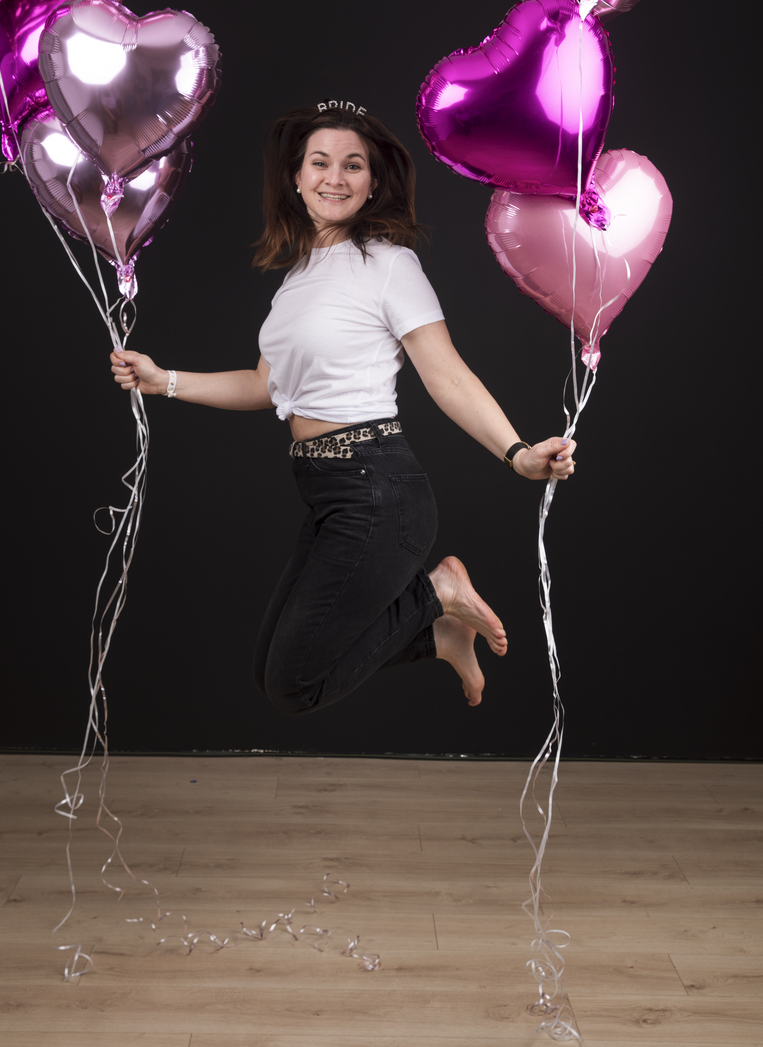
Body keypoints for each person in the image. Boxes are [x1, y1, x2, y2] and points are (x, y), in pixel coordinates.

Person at [110, 103, 576, 717]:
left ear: (372, 183)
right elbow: (263, 387)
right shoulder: (297, 279)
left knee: (294, 681)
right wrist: (161, 380)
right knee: (271, 668)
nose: (335, 177)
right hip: (330, 491)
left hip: (376, 488)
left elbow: (447, 376)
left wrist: (517, 454)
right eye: (320, 163)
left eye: (352, 165)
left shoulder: (388, 265)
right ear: (297, 180)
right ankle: (436, 629)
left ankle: (437, 594)